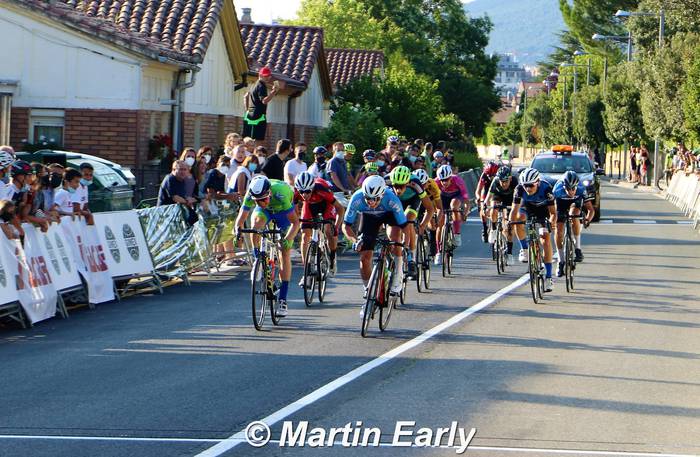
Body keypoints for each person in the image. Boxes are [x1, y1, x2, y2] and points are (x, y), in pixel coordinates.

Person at [235, 176, 300, 317]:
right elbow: (241, 218)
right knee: (256, 225)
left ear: (269, 193)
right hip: (266, 214)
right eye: (258, 201)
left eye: (264, 199)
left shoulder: (280, 192)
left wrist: (288, 239)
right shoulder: (251, 194)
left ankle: (283, 299)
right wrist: (237, 233)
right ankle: (257, 260)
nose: (262, 203)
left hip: (283, 212)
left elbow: (296, 223)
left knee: (284, 251)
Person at [342, 175, 407, 298]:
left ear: (382, 195)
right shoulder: (357, 197)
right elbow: (346, 226)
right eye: (368, 198)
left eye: (375, 199)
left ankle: (398, 272)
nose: (371, 202)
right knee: (364, 258)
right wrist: (354, 241)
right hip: (369, 218)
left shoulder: (391, 198)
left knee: (395, 239)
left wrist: (405, 245)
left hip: (389, 215)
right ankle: (369, 290)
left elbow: (404, 226)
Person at [509, 168, 557, 292]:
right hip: (527, 208)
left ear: (537, 182)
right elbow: (514, 210)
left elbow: (553, 213)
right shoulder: (519, 189)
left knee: (545, 239)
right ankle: (524, 249)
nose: (528, 189)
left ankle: (549, 277)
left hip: (543, 210)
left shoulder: (546, 189)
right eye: (526, 186)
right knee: (518, 219)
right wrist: (510, 223)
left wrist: (551, 223)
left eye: (531, 185)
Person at [293, 171, 345, 279]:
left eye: (307, 191)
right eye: (302, 191)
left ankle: (332, 257)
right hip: (309, 206)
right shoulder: (296, 192)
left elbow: (340, 209)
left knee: (328, 230)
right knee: (304, 235)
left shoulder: (321, 189)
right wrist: (297, 223)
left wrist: (336, 227)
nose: (304, 194)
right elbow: (294, 212)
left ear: (312, 187)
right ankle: (306, 271)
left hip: (326, 205)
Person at [385, 166, 435, 278]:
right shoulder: (386, 181)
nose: (398, 190)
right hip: (394, 201)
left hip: (412, 201)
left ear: (407, 182)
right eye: (395, 186)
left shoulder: (415, 183)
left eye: (401, 186)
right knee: (392, 229)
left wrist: (422, 225)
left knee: (408, 220)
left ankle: (411, 257)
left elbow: (430, 208)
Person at [552, 170, 594, 277]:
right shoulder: (557, 190)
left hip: (575, 203)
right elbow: (552, 210)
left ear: (576, 186)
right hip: (561, 204)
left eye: (573, 189)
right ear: (564, 186)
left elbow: (591, 210)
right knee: (559, 230)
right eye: (568, 189)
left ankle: (578, 249)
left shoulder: (581, 189)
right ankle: (561, 261)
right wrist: (554, 220)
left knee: (574, 214)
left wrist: (587, 220)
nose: (571, 192)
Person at [483, 166, 518, 265]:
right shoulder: (495, 181)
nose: (504, 184)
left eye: (506, 181)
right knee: (493, 208)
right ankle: (494, 229)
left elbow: (519, 198)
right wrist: (485, 205)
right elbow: (489, 196)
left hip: (510, 199)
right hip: (498, 197)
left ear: (510, 179)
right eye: (502, 181)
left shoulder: (515, 182)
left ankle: (510, 254)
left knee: (509, 227)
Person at [435, 165, 470, 254]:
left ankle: (457, 233)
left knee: (454, 207)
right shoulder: (436, 182)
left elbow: (466, 201)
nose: (444, 182)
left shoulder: (458, 181)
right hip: (443, 197)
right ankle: (439, 251)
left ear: (450, 177)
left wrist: (465, 213)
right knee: (440, 225)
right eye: (442, 180)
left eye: (446, 179)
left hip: (456, 196)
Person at [243, 67, 279, 144]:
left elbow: (245, 96)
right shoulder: (261, 86)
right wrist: (274, 91)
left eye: (268, 76)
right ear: (260, 75)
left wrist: (247, 110)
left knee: (247, 141)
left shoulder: (254, 84)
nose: (267, 77)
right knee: (257, 142)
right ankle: (256, 155)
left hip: (249, 115)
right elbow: (264, 101)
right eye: (265, 76)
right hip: (259, 116)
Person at [158, 160, 198, 224]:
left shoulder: (182, 180)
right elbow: (175, 197)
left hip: (177, 212)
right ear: (174, 170)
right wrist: (187, 201)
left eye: (185, 170)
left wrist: (191, 199)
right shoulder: (170, 179)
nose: (183, 172)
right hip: (165, 213)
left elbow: (184, 196)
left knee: (195, 218)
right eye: (180, 169)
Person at [475, 161, 499, 243]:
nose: (490, 177)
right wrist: (479, 199)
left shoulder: (499, 177)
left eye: (492, 175)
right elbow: (478, 190)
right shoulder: (484, 176)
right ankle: (485, 228)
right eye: (488, 175)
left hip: (496, 192)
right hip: (486, 191)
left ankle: (496, 225)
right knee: (483, 208)